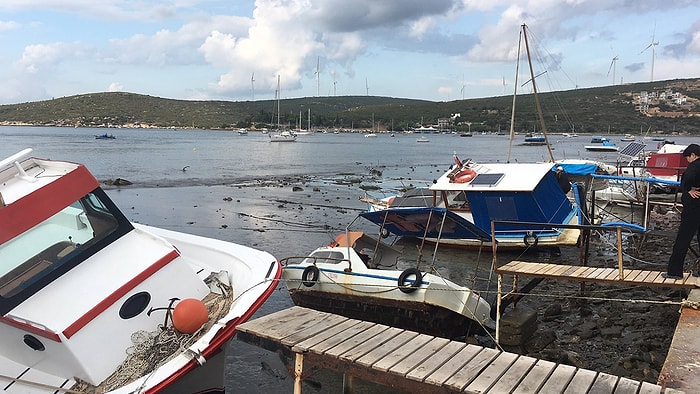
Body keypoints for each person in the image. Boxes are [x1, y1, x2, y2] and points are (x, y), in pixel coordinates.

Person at [663, 143, 700, 280]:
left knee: (683, 239)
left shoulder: (694, 166)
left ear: (693, 155)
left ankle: (674, 271)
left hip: (694, 206)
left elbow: (688, 178)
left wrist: (689, 189)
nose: (687, 161)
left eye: (688, 158)